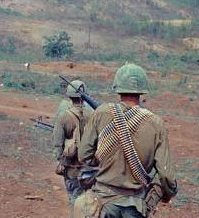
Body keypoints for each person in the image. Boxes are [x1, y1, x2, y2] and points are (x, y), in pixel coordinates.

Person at [75, 64, 177, 218]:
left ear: (117, 87)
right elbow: (166, 175)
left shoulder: (101, 113)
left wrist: (105, 161)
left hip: (102, 203)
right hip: (135, 205)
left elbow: (83, 155)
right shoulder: (156, 123)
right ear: (142, 90)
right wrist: (167, 194)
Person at [53, 80, 93, 216]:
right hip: (90, 168)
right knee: (91, 201)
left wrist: (61, 162)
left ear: (69, 96)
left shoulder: (64, 116)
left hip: (72, 169)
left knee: (74, 200)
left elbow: (58, 144)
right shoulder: (93, 114)